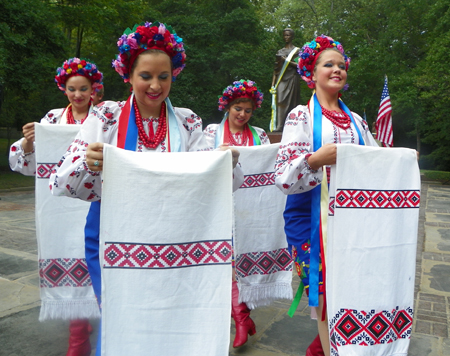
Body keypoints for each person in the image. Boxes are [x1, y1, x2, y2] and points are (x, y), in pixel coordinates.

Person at [48, 21, 241, 355]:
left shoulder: (188, 121)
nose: (155, 85)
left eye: (163, 76)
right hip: (114, 240)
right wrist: (89, 162)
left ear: (173, 75)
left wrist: (225, 161)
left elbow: (218, 184)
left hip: (178, 241)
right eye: (146, 76)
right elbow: (60, 180)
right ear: (128, 75)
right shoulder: (107, 116)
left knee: (174, 321)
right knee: (123, 321)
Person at [274, 35, 378, 356]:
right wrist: (316, 159)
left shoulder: (356, 121)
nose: (338, 69)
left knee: (351, 290)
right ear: (312, 73)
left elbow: (376, 162)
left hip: (351, 222)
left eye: (342, 65)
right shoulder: (300, 117)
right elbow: (283, 177)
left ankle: (319, 350)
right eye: (329, 64)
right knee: (325, 294)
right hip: (311, 222)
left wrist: (403, 161)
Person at [9, 57, 103, 356]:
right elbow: (21, 164)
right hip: (61, 210)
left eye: (83, 89)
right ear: (64, 89)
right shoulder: (51, 120)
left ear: (93, 90)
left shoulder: (103, 119)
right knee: (70, 257)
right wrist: (28, 144)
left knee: (97, 262)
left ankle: (100, 325)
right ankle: (78, 334)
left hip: (95, 201)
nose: (78, 95)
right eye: (72, 89)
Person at [203, 79, 268, 348]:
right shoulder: (209, 134)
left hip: (251, 208)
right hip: (219, 205)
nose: (242, 114)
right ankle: (241, 319)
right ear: (227, 106)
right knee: (226, 264)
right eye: (237, 108)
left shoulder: (261, 135)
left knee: (244, 263)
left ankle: (244, 318)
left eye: (248, 110)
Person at [270, 28, 301, 132]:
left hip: (292, 78)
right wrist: (273, 84)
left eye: (288, 35)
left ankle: (291, 126)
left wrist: (287, 61)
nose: (286, 37)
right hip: (281, 79)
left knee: (293, 103)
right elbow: (276, 69)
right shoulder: (280, 52)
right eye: (284, 35)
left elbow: (300, 66)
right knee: (280, 101)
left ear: (292, 36)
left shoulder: (297, 51)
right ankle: (280, 125)